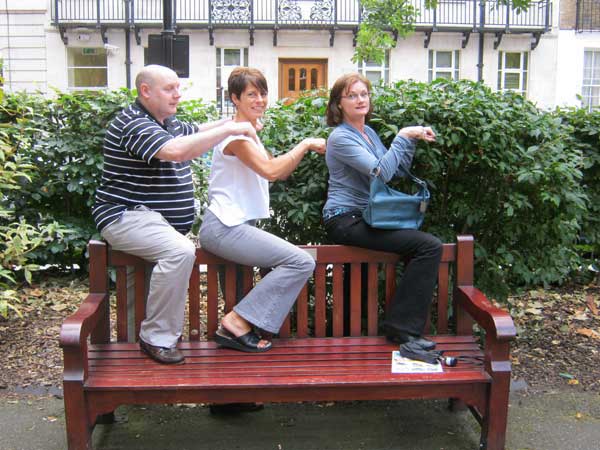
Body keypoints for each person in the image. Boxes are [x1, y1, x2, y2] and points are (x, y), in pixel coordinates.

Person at [92, 64, 258, 365]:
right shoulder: (134, 123)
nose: (178, 95)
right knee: (180, 252)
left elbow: (196, 132)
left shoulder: (165, 122)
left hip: (153, 222)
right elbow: (177, 151)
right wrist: (234, 128)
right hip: (126, 215)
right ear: (146, 91)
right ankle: (156, 337)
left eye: (179, 88)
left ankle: (132, 355)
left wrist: (239, 120)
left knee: (138, 285)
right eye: (170, 88)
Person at [199, 67, 326, 352]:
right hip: (224, 228)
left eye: (263, 93)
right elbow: (271, 170)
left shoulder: (248, 135)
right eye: (251, 94)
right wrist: (305, 144)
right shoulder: (236, 139)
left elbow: (278, 169)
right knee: (301, 262)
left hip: (236, 227)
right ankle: (236, 322)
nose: (260, 100)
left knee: (267, 274)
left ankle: (237, 329)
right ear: (235, 98)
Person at [322, 73, 442, 350]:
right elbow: (381, 173)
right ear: (338, 104)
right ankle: (402, 330)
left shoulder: (369, 133)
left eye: (364, 94)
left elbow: (396, 170)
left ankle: (397, 328)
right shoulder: (340, 137)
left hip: (367, 217)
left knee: (423, 244)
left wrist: (410, 141)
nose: (360, 99)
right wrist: (402, 134)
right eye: (352, 95)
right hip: (344, 219)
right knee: (429, 247)